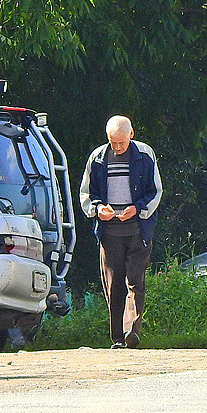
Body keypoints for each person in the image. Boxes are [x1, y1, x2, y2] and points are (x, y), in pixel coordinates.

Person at [79, 115, 162, 349]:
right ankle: (118, 337)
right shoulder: (97, 158)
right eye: (113, 142)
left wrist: (137, 209)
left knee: (135, 281)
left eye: (121, 142)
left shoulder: (146, 155)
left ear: (131, 135)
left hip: (138, 229)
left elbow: (155, 192)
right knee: (113, 284)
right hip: (109, 231)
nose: (117, 147)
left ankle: (131, 332)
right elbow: (86, 193)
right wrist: (97, 209)